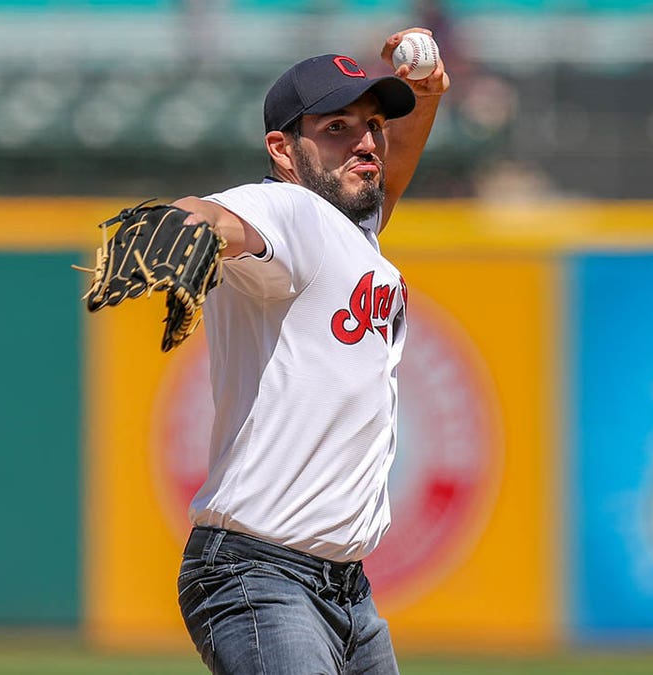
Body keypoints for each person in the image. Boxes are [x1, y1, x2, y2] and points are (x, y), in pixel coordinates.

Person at [167, 27, 448, 675]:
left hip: (348, 592)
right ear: (283, 149)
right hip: (260, 576)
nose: (366, 142)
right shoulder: (289, 210)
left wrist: (424, 98)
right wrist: (173, 229)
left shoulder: (349, 231)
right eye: (337, 128)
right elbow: (215, 219)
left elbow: (380, 181)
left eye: (373, 125)